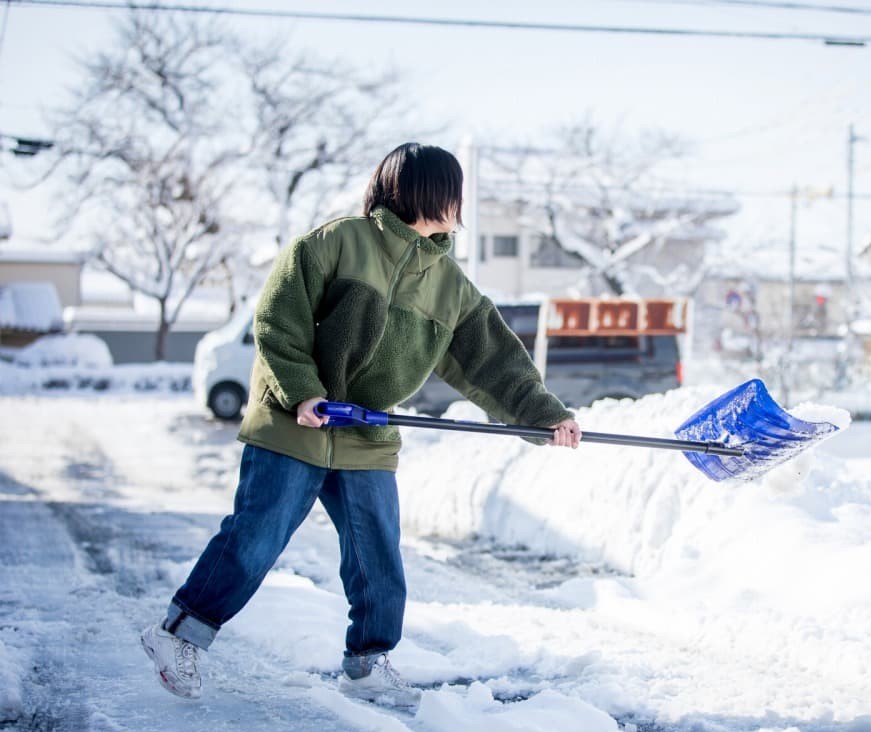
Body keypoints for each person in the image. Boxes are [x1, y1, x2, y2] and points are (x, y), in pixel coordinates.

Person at [141, 143, 581, 701]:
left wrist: (544, 415)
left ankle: (369, 663)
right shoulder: (337, 243)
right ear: (417, 191)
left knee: (377, 553)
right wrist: (302, 393)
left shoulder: (450, 285)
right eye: (450, 192)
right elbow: (278, 319)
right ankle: (177, 634)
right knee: (256, 536)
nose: (457, 205)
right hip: (294, 424)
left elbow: (493, 360)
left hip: (365, 434)